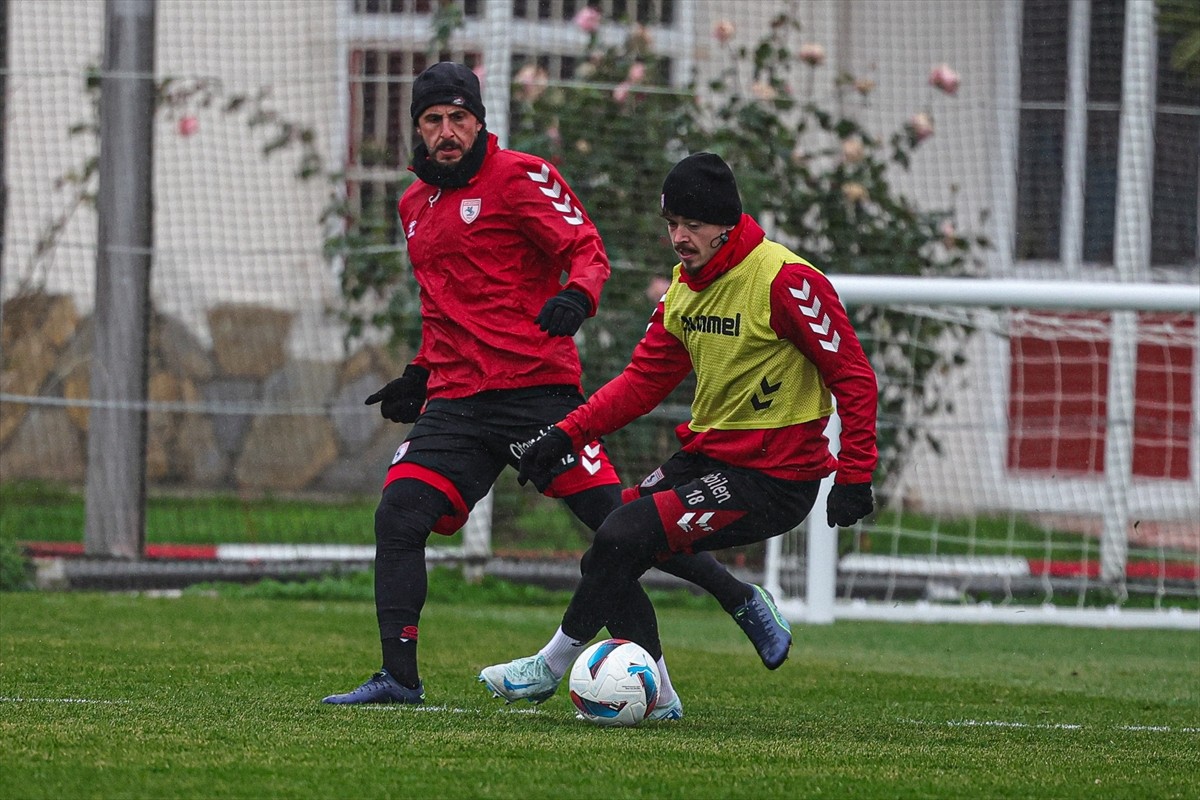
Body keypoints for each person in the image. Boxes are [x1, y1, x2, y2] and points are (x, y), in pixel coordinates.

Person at [322, 66, 791, 709]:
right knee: (398, 515)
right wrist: (421, 373)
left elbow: (586, 246)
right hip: (457, 402)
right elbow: (443, 307)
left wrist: (578, 295)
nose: (447, 131)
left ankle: (727, 609)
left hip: (538, 394)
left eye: (459, 117)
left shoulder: (520, 175)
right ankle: (399, 679)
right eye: (433, 120)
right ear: (418, 128)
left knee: (616, 528)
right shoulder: (413, 206)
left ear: (480, 120)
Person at [478, 152, 878, 719]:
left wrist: (855, 472)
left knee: (621, 536)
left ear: (727, 223)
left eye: (693, 225)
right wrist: (565, 436)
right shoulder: (685, 291)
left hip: (776, 478)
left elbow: (854, 377)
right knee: (610, 546)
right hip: (711, 459)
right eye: (671, 224)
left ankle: (548, 666)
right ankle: (664, 692)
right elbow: (642, 383)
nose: (679, 238)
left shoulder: (785, 280)